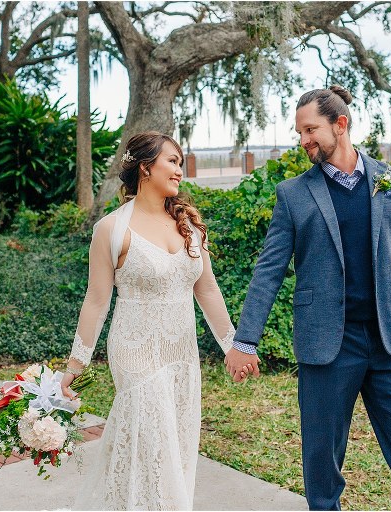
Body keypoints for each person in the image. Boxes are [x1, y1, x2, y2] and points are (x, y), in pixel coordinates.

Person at [225, 85, 391, 510]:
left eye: (311, 129)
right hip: (327, 345)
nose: (304, 140)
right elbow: (269, 270)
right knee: (322, 460)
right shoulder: (293, 194)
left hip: (390, 342)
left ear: (340, 125)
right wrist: (245, 340)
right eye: (300, 132)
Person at [60, 131, 254, 510]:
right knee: (151, 440)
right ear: (146, 168)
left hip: (181, 353)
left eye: (180, 163)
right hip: (134, 352)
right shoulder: (112, 229)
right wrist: (75, 364)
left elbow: (209, 291)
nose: (179, 171)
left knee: (173, 448)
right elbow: (97, 301)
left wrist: (233, 345)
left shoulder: (190, 227)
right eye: (172, 161)